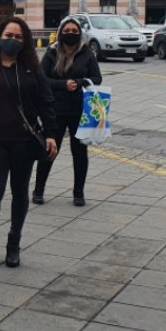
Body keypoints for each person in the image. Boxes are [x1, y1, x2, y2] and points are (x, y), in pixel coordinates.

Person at [0, 17, 58, 269]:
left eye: (18, 37)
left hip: (24, 143)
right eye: (8, 35)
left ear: (25, 41)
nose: (13, 40)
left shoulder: (32, 70)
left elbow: (46, 103)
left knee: (20, 193)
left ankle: (14, 244)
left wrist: (50, 133)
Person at [33, 18, 101, 206]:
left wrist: (78, 83)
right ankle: (38, 190)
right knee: (50, 151)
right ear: (61, 32)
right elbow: (42, 78)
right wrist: (63, 85)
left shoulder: (87, 53)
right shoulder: (52, 52)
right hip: (55, 110)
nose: (70, 33)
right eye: (67, 30)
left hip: (81, 111)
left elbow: (97, 78)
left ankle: (78, 193)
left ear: (79, 33)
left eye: (74, 30)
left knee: (80, 153)